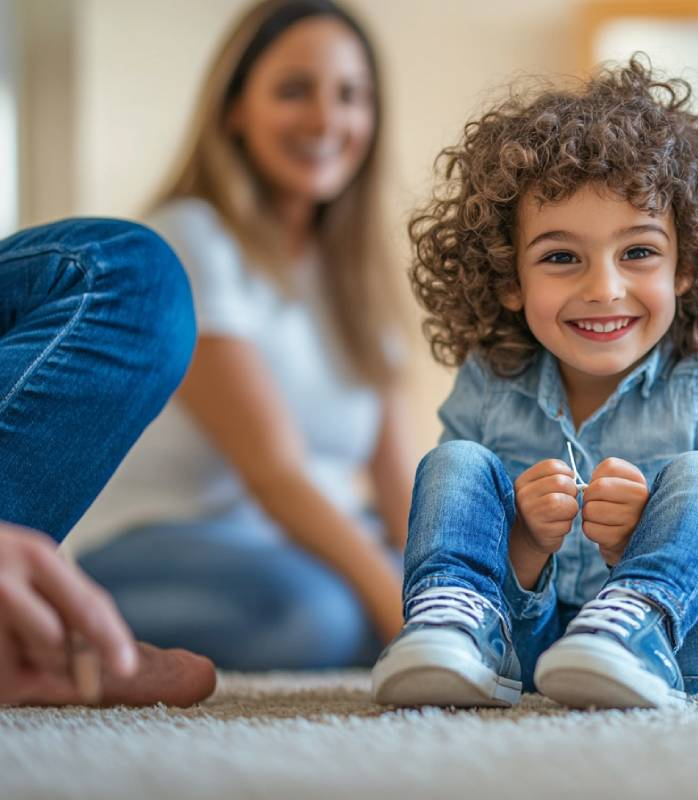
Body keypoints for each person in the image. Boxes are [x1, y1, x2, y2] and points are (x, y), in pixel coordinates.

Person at [368, 59, 698, 709]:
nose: (604, 289)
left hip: (692, 649)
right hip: (527, 649)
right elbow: (461, 529)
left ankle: (634, 623)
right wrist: (527, 543)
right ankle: (451, 632)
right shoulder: (488, 383)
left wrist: (642, 541)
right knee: (453, 463)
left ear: (685, 266)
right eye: (561, 257)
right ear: (509, 278)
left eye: (638, 252)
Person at [67, 0, 414, 671]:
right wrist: (405, 613)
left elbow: (399, 488)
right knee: (322, 616)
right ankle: (72, 631)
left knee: (465, 583)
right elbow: (274, 474)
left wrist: (446, 595)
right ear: (233, 111)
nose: (326, 119)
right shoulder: (190, 239)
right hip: (159, 543)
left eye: (351, 96)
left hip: (295, 549)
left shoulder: (356, 276)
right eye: (294, 91)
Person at [0, 218, 215, 706]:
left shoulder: (358, 282)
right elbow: (276, 472)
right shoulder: (202, 237)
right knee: (134, 277)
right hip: (152, 529)